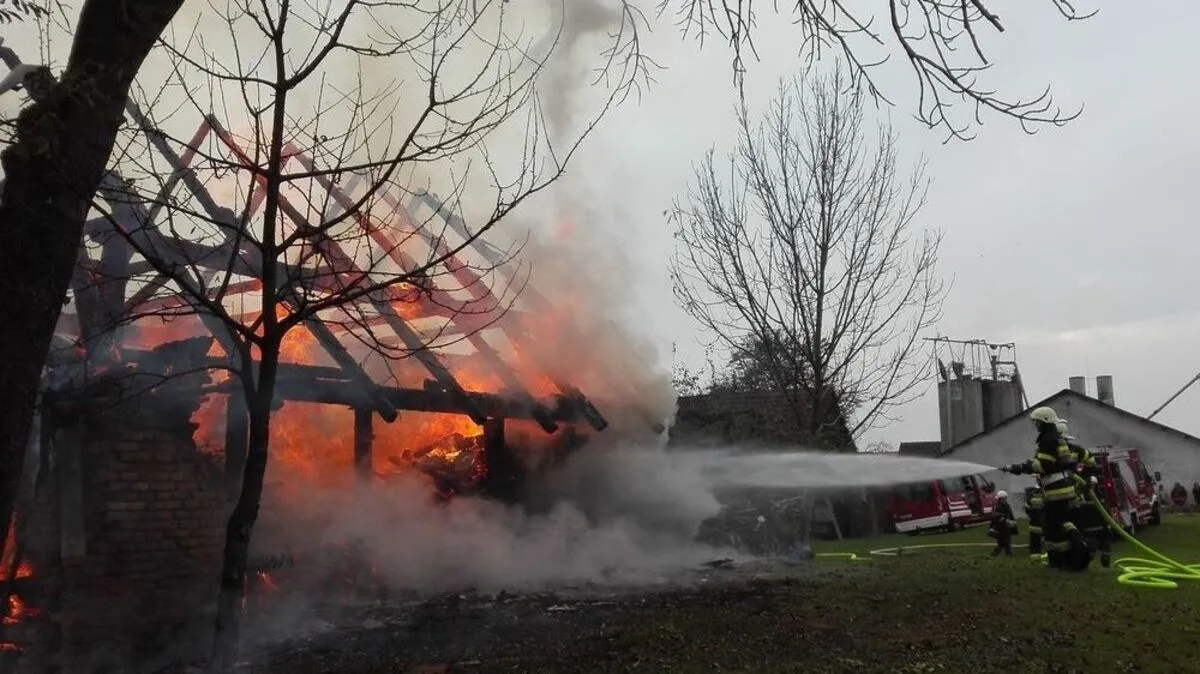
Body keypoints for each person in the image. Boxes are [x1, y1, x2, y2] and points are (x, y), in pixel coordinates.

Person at [1000, 406, 1090, 571]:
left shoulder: (1048, 440)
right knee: (1061, 525)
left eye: (1037, 422)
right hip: (1065, 489)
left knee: (1053, 528)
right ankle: (1068, 558)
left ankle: (1074, 554)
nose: (1036, 426)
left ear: (1045, 422)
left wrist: (1018, 467)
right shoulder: (1057, 439)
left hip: (1055, 492)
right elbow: (1054, 463)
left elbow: (1042, 466)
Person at [1058, 420, 1110, 568]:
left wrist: (1085, 481)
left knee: (1089, 540)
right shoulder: (1068, 453)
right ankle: (1075, 562)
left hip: (1077, 503)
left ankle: (1082, 562)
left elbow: (1091, 464)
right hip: (1075, 504)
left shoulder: (1075, 453)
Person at [988, 490, 1017, 557]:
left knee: (1004, 543)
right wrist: (1007, 521)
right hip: (1000, 528)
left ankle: (996, 555)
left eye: (1006, 498)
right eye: (1004, 498)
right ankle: (1008, 555)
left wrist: (1012, 522)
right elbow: (997, 518)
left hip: (1006, 528)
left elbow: (1010, 515)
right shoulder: (998, 507)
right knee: (1004, 543)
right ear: (1000, 499)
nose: (1006, 500)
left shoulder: (1007, 506)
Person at [1024, 485, 1045, 561]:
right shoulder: (1045, 495)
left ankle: (1035, 558)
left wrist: (1031, 514)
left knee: (1034, 541)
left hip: (1033, 523)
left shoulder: (1030, 497)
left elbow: (1026, 508)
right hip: (1043, 523)